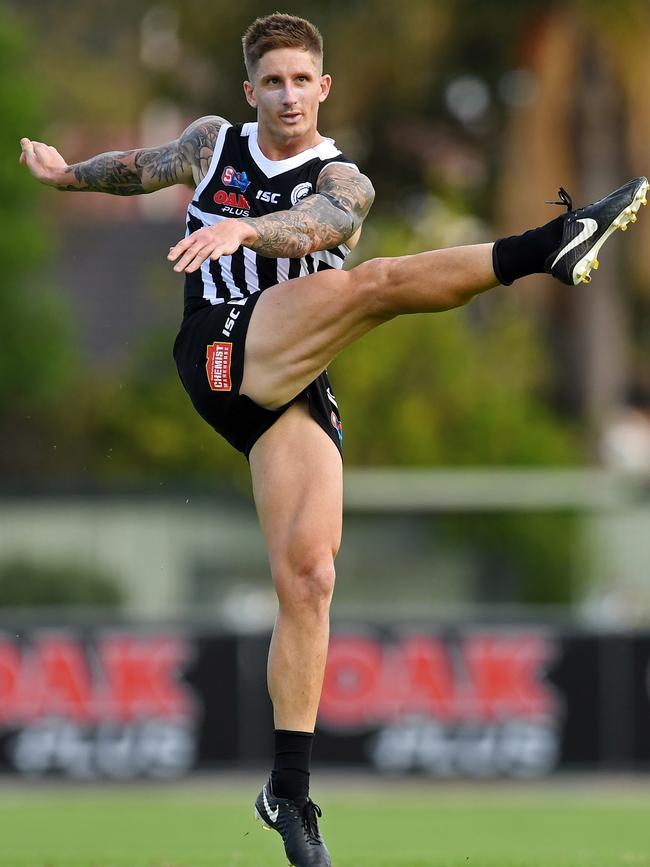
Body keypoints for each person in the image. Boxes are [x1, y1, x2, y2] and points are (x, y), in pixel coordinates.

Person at [19, 12, 647, 867]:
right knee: (379, 284)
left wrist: (246, 229)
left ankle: (289, 789)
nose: (285, 95)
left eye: (299, 80)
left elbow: (318, 225)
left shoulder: (344, 180)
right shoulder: (213, 145)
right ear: (250, 92)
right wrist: (68, 177)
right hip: (218, 345)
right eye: (269, 81)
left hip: (286, 381)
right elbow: (139, 168)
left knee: (312, 577)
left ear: (324, 88)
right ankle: (548, 245)